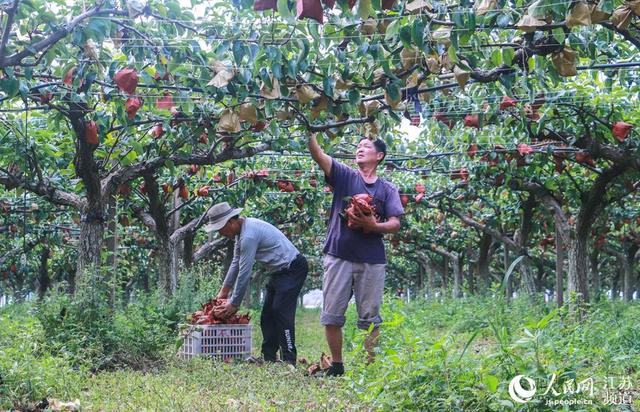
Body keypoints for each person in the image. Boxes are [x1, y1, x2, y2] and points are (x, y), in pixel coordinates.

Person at [307, 133, 404, 376]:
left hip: (372, 260)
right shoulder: (345, 176)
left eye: (366, 146)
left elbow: (395, 223)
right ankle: (338, 365)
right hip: (338, 254)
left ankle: (370, 368)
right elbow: (318, 155)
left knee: (370, 318)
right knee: (331, 314)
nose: (360, 149)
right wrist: (311, 131)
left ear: (379, 156)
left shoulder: (387, 189)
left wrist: (373, 226)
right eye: (358, 146)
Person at [204, 202, 308, 366]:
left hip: (292, 268)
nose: (220, 233)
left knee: (280, 311)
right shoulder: (241, 234)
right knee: (267, 315)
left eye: (220, 229)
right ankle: (269, 358)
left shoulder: (248, 236)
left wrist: (234, 303)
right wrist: (222, 294)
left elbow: (245, 271)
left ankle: (289, 360)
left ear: (230, 222)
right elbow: (236, 263)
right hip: (278, 272)